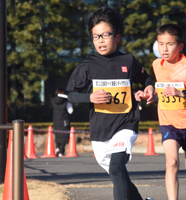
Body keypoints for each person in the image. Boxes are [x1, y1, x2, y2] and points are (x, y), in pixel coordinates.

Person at [66, 7, 155, 200]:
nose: (100, 40)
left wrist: (149, 89)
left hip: (126, 123)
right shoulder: (87, 66)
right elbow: (72, 95)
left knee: (116, 167)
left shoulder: (128, 61)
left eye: (105, 35)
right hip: (100, 131)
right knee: (118, 173)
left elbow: (146, 78)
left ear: (117, 37)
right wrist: (90, 98)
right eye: (96, 36)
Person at [135, 24, 186, 200]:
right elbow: (162, 92)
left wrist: (182, 92)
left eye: (169, 44)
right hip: (169, 122)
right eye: (161, 44)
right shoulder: (156, 64)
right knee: (172, 162)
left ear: (180, 46)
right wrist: (149, 96)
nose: (164, 49)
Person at [52, 88, 73, 157]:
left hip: (56, 121)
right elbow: (71, 111)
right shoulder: (66, 101)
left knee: (58, 135)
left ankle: (57, 147)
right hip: (64, 121)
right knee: (64, 135)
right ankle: (61, 151)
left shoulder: (54, 101)